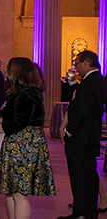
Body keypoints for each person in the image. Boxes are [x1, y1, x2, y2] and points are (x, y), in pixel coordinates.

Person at [0, 57, 55, 219]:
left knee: (19, 193)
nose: (6, 71)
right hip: (17, 144)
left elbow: (21, 121)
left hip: (23, 145)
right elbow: (13, 115)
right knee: (11, 191)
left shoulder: (28, 93)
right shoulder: (21, 92)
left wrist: (1, 128)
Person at [57, 50, 106, 219]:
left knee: (79, 176)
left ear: (86, 62)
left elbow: (81, 109)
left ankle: (81, 213)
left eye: (77, 62)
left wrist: (69, 130)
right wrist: (71, 82)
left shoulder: (89, 82)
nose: (75, 66)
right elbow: (80, 97)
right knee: (89, 175)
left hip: (80, 136)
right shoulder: (97, 80)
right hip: (90, 134)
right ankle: (88, 211)